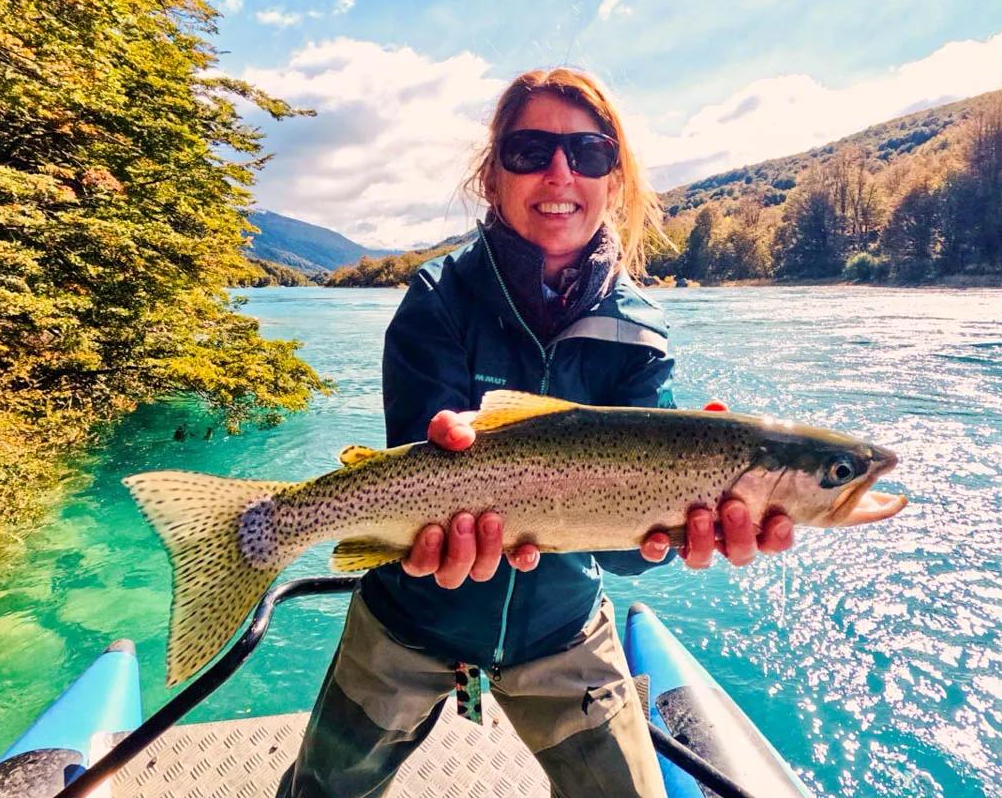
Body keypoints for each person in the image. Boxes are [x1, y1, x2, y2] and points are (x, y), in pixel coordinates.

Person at [276, 67, 796, 798]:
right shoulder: (436, 301)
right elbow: (412, 491)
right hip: (409, 619)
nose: (560, 171)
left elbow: (630, 557)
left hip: (563, 631)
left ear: (614, 179)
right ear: (493, 176)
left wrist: (685, 529)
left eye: (588, 152)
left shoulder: (640, 334)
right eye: (530, 150)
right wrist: (445, 461)